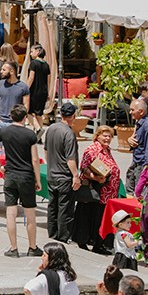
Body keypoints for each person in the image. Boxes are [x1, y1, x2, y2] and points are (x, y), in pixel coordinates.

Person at [0, 104, 43, 257]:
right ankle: (32, 247)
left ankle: (13, 248)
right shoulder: (30, 135)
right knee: (30, 214)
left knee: (11, 213)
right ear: (25, 117)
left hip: (10, 175)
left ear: (11, 116)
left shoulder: (4, 131)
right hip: (26, 176)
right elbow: (35, 160)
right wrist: (38, 180)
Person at [46, 102, 82, 242]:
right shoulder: (69, 134)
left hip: (52, 174)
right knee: (65, 209)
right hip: (64, 176)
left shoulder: (51, 128)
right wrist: (75, 176)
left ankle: (52, 233)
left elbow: (46, 151)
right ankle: (63, 236)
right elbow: (70, 159)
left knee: (52, 206)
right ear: (73, 116)